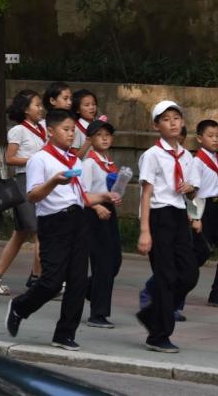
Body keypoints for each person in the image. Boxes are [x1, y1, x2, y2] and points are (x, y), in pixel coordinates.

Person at [4, 109, 118, 350]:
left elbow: (83, 196)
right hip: (54, 222)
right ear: (50, 131)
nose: (70, 134)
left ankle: (64, 333)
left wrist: (104, 197)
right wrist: (54, 180)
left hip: (79, 220)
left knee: (77, 282)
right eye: (66, 130)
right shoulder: (40, 159)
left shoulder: (74, 161)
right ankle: (20, 307)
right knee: (52, 282)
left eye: (73, 131)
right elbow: (33, 195)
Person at [134, 100, 200, 353]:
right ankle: (158, 335)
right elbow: (146, 194)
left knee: (189, 273)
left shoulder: (187, 155)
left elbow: (192, 194)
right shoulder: (152, 155)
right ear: (156, 125)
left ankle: (152, 312)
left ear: (182, 122)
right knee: (165, 276)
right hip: (159, 216)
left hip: (179, 214)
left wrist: (191, 189)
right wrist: (144, 231)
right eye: (165, 119)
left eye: (176, 118)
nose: (172, 123)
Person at [0, 89, 46, 296]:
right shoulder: (18, 131)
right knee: (41, 233)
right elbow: (10, 159)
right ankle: (39, 281)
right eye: (37, 105)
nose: (41, 108)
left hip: (42, 183)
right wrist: (35, 160)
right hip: (25, 183)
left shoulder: (43, 129)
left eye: (41, 105)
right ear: (24, 109)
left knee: (20, 235)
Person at [189, 119, 218, 309]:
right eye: (210, 136)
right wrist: (195, 217)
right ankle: (175, 283)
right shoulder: (197, 162)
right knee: (200, 253)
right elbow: (191, 193)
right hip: (203, 208)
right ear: (200, 138)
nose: (215, 140)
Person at [82, 119, 124, 328]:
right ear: (90, 139)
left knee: (115, 260)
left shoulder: (108, 161)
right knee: (103, 264)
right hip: (94, 215)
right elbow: (83, 194)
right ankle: (98, 314)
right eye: (99, 135)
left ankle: (86, 289)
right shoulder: (89, 163)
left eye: (108, 134)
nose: (105, 138)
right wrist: (97, 206)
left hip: (109, 211)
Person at [69, 88, 99, 156]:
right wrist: (88, 142)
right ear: (77, 110)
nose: (91, 107)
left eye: (94, 104)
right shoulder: (76, 129)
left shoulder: (98, 125)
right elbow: (74, 157)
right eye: (87, 105)